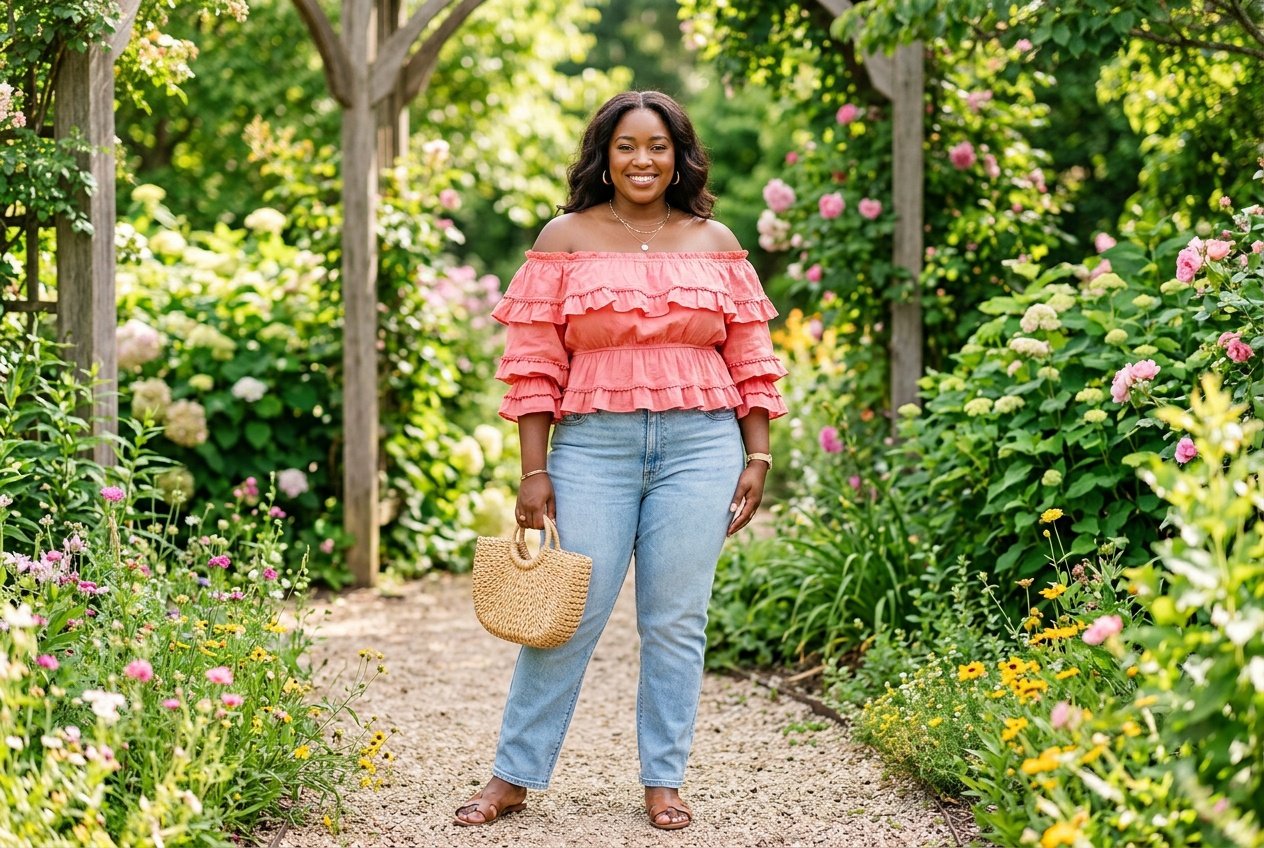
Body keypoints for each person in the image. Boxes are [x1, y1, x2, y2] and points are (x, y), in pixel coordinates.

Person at [454, 90, 787, 832]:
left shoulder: (715, 242)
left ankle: (663, 781)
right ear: (605, 155)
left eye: (658, 146)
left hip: (701, 445)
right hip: (592, 447)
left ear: (679, 158)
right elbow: (533, 363)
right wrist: (532, 471)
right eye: (628, 146)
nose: (643, 160)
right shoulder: (564, 237)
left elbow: (751, 358)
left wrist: (756, 452)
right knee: (567, 616)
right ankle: (511, 776)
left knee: (676, 620)